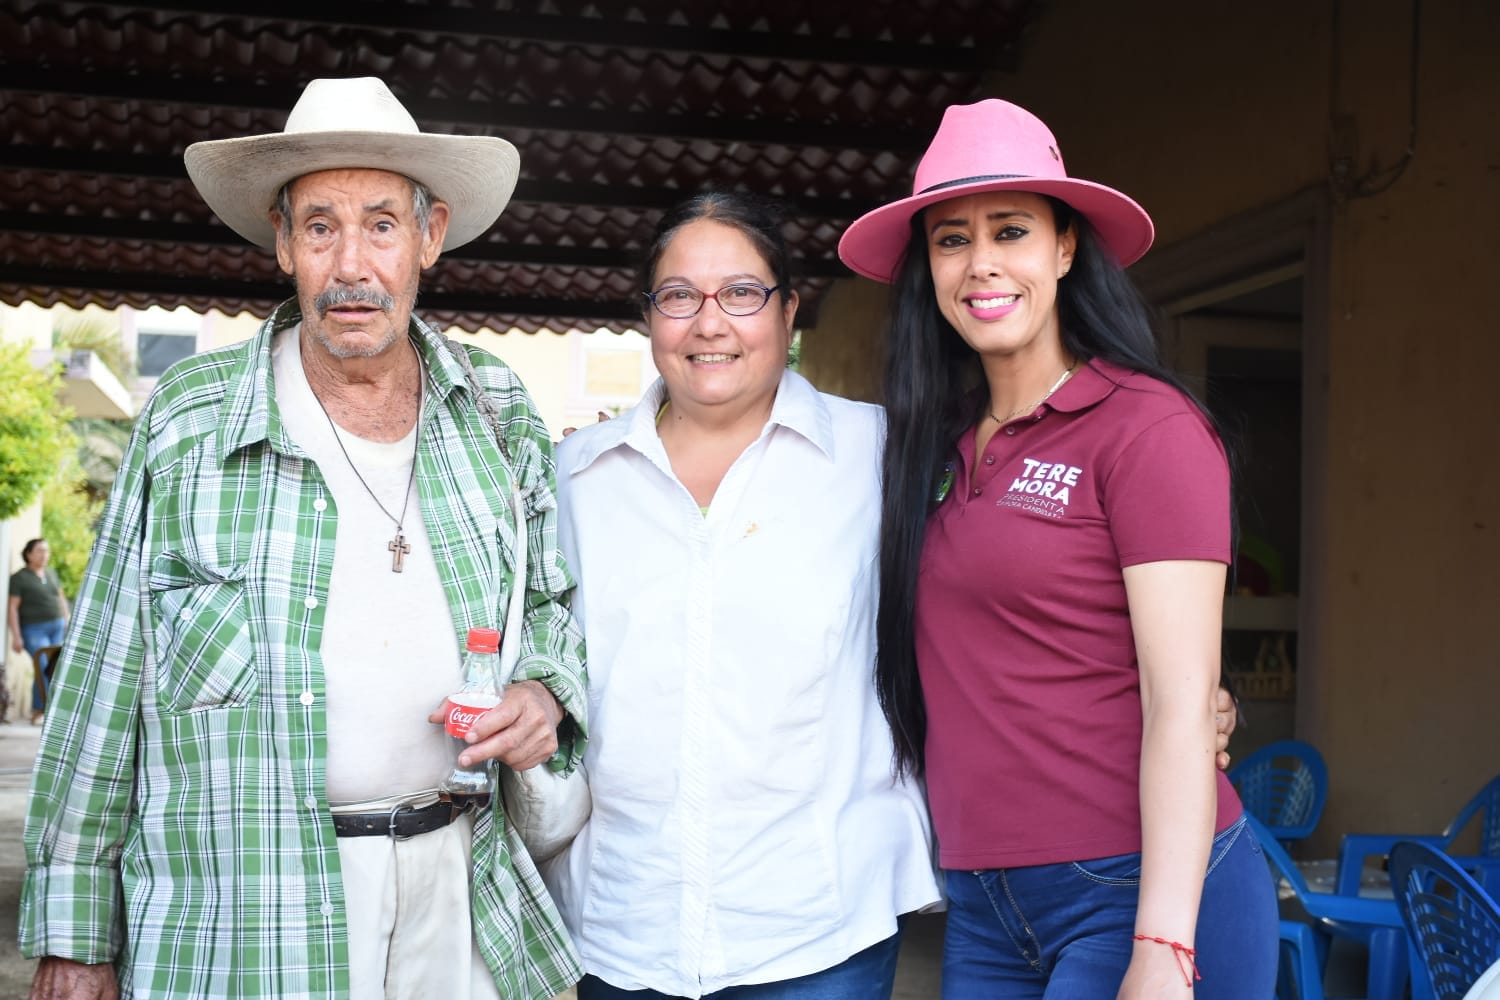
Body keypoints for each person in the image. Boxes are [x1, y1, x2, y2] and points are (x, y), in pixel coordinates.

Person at [20, 77, 587, 1000]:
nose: (351, 265)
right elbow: (101, 685)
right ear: (283, 244)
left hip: (460, 885)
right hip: (249, 913)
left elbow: (553, 605)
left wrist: (543, 691)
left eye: (381, 226)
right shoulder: (189, 420)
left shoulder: (496, 407)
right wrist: (77, 934)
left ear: (430, 236)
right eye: (320, 227)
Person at [839, 99, 1279, 998]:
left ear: (1067, 248)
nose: (982, 264)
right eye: (951, 239)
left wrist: (1165, 946)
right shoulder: (933, 444)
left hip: (1137, 887)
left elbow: (1183, 699)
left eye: (1012, 231)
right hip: (985, 899)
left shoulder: (1145, 428)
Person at [548, 191, 941, 999]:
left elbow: (996, 590)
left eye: (742, 293)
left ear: (789, 309)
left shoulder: (880, 456)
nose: (709, 323)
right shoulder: (572, 479)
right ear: (649, 316)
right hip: (624, 922)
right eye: (679, 296)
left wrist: (1160, 684)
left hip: (820, 923)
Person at [7, 538, 70, 723]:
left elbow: (61, 598)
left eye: (47, 551)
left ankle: (48, 710)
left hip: (57, 627)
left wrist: (67, 620)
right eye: (40, 551)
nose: (45, 555)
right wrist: (16, 636)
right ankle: (40, 710)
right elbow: (12, 608)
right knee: (42, 665)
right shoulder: (19, 578)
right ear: (29, 554)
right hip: (34, 629)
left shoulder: (51, 574)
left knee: (54, 668)